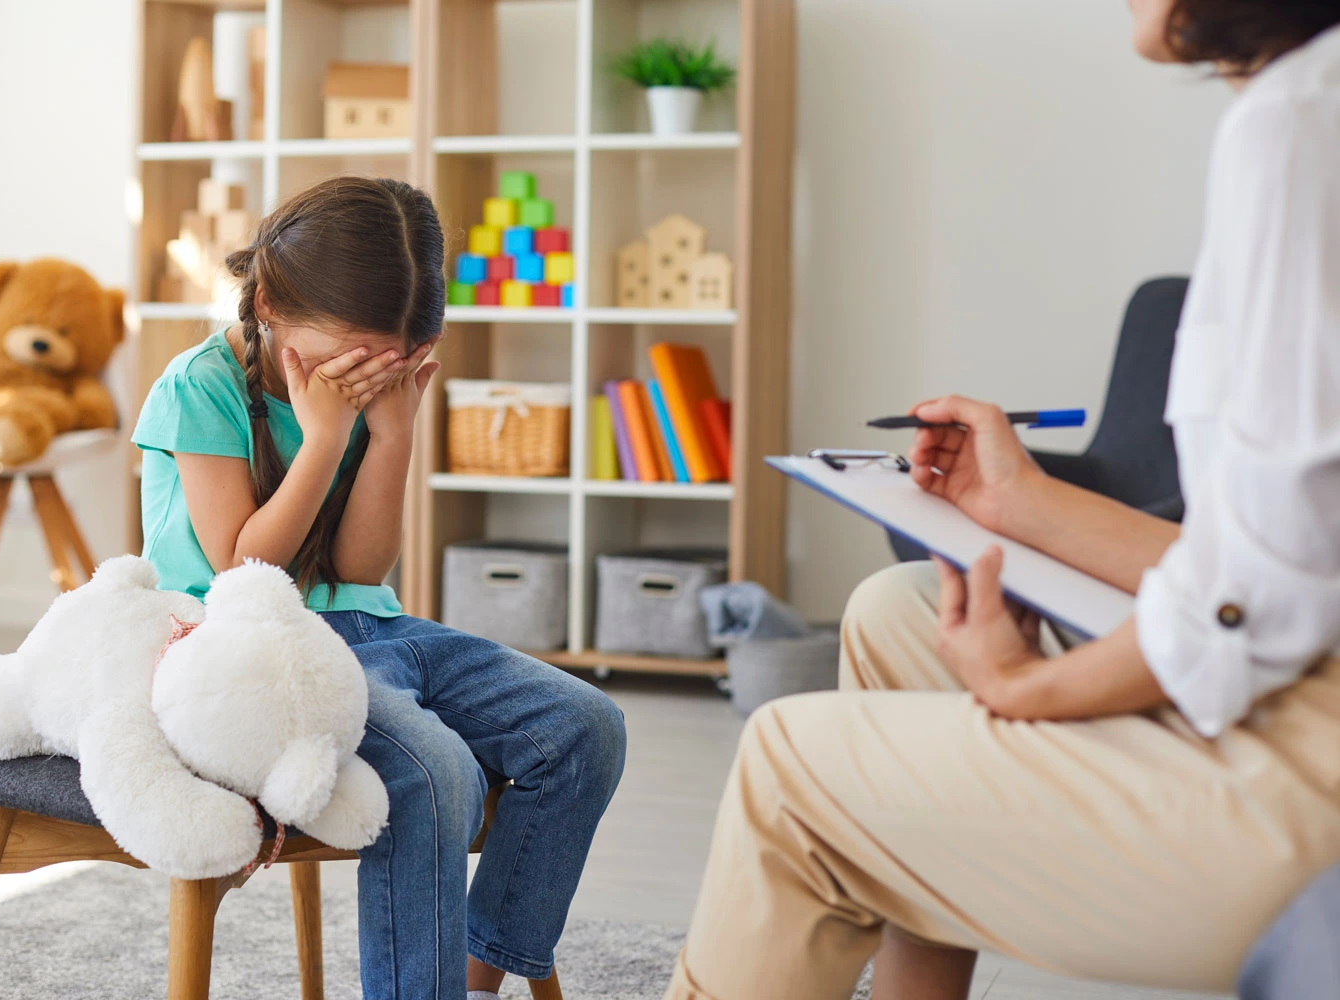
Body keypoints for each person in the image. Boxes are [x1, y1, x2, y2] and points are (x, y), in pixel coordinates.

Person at [665, 1, 1340, 997]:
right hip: (1299, 669)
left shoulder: (1294, 125)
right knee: (898, 615)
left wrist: (1027, 686)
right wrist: (1018, 501)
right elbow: (1286, 557)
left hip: (1302, 774)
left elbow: (1250, 608)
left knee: (785, 765)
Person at [132, 176, 626, 1000]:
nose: (355, 382)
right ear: (266, 306)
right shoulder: (200, 385)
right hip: (246, 647)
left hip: (365, 627)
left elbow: (361, 574)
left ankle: (474, 977)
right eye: (338, 366)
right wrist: (324, 438)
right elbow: (240, 573)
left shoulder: (361, 388)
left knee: (584, 727)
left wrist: (391, 432)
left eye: (378, 369)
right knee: (437, 771)